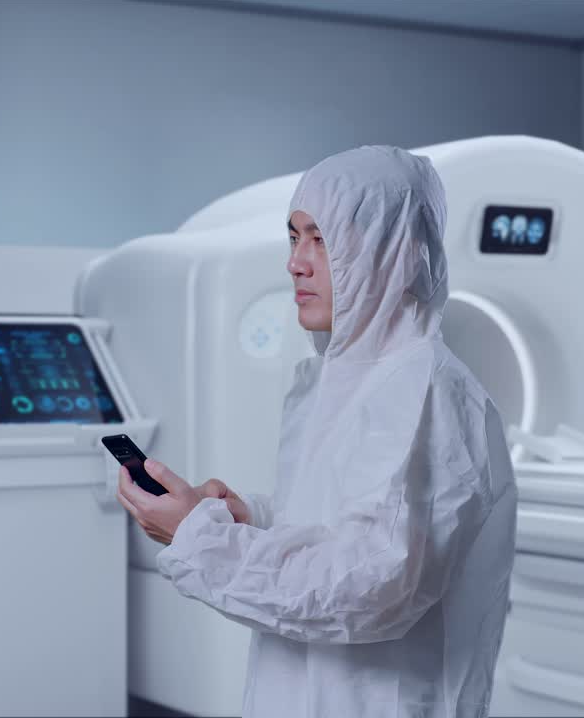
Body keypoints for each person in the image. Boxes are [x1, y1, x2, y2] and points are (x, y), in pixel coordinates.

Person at [115, 145, 517, 718]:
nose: (296, 263)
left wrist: (200, 539)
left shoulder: (423, 390)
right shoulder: (336, 379)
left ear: (389, 250)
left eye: (321, 240)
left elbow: (373, 586)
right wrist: (246, 516)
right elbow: (340, 527)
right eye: (293, 237)